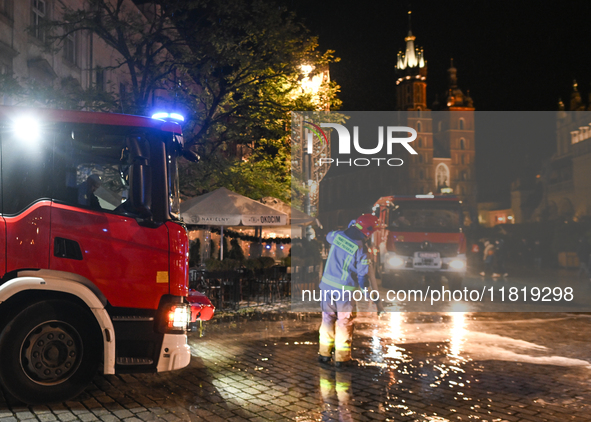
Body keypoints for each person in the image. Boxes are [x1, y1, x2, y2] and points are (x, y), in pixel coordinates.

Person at [318, 213, 378, 368]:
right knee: (344, 322)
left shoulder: (337, 236)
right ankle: (342, 359)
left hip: (326, 287)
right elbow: (363, 276)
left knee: (327, 319)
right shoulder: (361, 248)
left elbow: (328, 236)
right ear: (369, 231)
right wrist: (367, 292)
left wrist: (348, 228)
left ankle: (324, 355)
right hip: (344, 291)